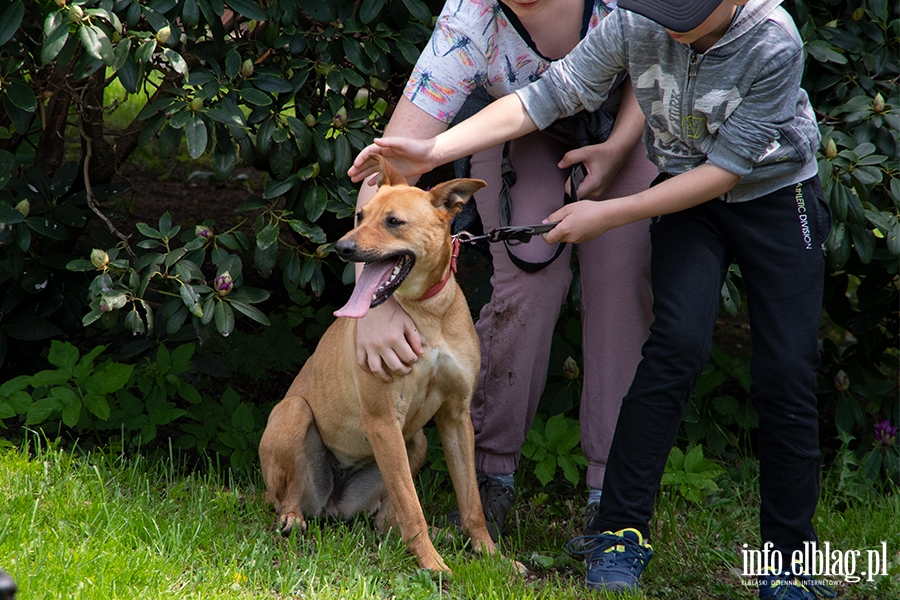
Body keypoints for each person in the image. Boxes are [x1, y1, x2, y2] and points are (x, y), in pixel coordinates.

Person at [349, 0, 834, 598]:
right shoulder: (641, 17)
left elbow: (728, 169)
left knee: (786, 369)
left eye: (686, 12)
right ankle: (618, 528)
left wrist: (609, 213)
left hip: (771, 195)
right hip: (682, 191)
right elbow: (550, 94)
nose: (671, 23)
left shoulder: (773, 40)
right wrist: (429, 152)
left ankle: (793, 563)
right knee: (674, 348)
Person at [351, 0, 657, 541]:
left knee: (620, 281)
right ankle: (490, 476)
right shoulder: (470, 19)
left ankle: (612, 495)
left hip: (628, 129)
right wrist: (368, 305)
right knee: (530, 279)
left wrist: (616, 146)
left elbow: (649, 54)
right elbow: (388, 169)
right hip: (524, 135)